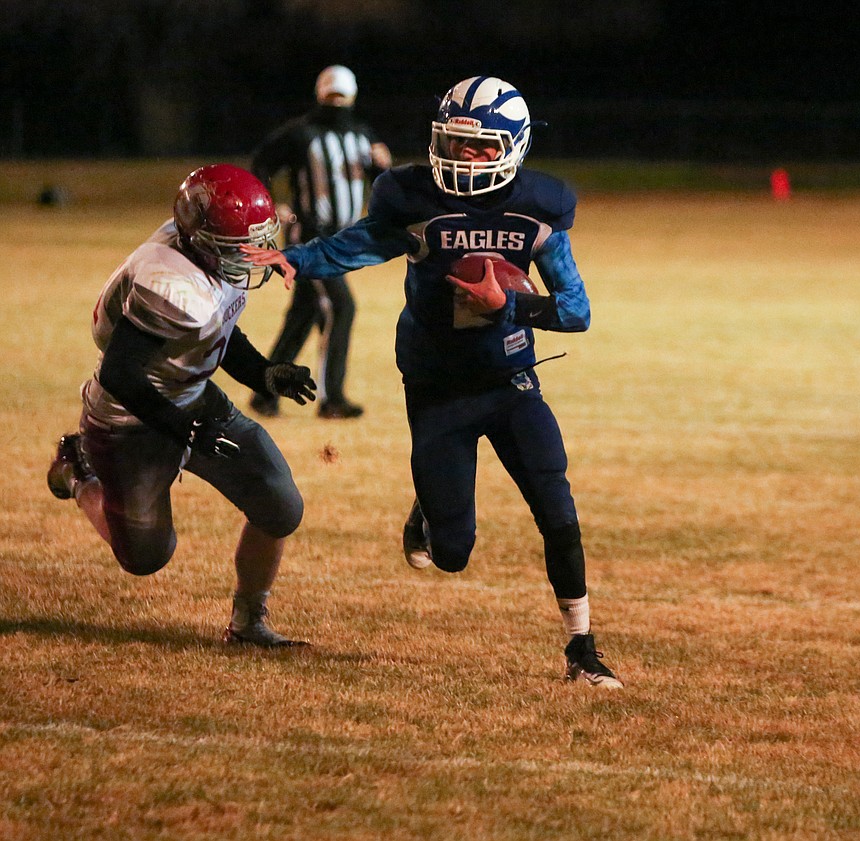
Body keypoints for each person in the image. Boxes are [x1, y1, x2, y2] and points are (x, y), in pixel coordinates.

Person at [244, 76, 623, 688]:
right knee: (451, 553)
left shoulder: (538, 207)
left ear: (513, 147)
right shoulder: (413, 196)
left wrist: (508, 306)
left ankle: (582, 648)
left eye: (479, 147)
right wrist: (297, 258)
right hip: (437, 384)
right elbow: (357, 245)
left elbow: (576, 312)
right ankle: (428, 507)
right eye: (454, 143)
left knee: (557, 506)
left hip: (509, 375)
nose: (462, 158)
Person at [47, 164, 318, 647]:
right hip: (129, 419)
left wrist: (264, 372)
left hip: (191, 397)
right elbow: (120, 373)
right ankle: (77, 469)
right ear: (204, 241)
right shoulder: (167, 280)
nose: (253, 255)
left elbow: (219, 329)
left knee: (279, 504)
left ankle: (248, 623)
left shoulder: (206, 250)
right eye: (241, 246)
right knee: (146, 556)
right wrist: (184, 428)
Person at [248, 64, 392, 420]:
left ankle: (265, 392)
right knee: (341, 308)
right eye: (335, 96)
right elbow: (261, 165)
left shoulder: (358, 133)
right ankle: (332, 399)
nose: (337, 103)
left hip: (340, 239)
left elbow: (381, 182)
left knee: (305, 312)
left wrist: (382, 168)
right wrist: (269, 206)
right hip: (311, 239)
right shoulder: (304, 133)